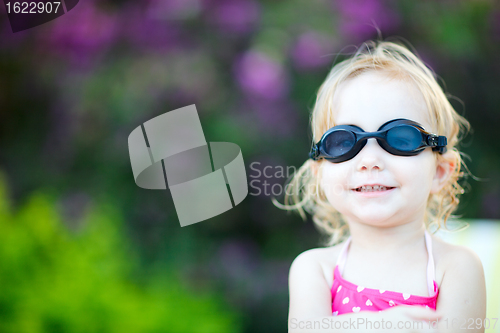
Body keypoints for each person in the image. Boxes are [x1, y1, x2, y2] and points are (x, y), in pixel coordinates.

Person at [281, 40, 486, 333]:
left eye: (401, 138)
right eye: (343, 142)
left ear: (440, 171)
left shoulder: (456, 269)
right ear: (320, 176)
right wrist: (377, 325)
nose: (369, 160)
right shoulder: (315, 270)